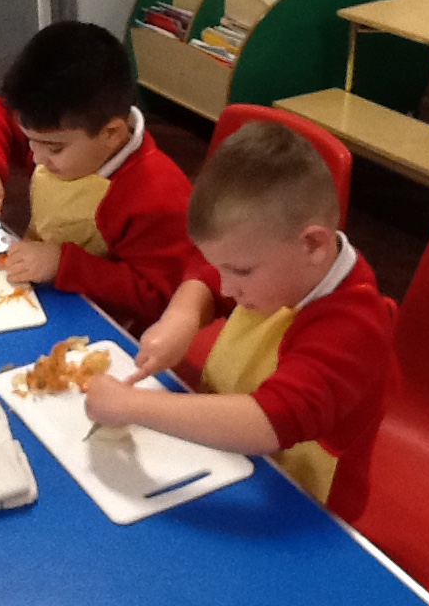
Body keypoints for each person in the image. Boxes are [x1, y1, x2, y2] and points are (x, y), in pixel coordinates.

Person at [84, 122, 396, 522]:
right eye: (224, 270)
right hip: (234, 460)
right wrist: (182, 316)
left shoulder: (354, 327)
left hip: (301, 505)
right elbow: (210, 271)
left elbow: (269, 421)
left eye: (241, 272)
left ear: (314, 244)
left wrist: (131, 405)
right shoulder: (278, 263)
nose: (228, 289)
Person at [0, 21, 196, 336]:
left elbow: (158, 296)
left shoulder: (158, 196)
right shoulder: (61, 128)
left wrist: (63, 265)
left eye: (53, 148)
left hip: (109, 327)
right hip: (43, 288)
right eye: (30, 141)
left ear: (111, 134)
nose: (38, 157)